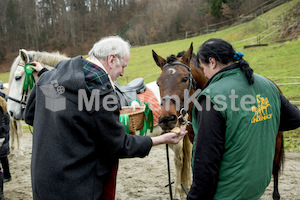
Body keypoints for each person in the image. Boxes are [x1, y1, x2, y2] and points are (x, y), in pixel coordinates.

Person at [24, 36, 186, 200]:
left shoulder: (50, 77)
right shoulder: (100, 92)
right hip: (77, 188)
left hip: (42, 183)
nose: (123, 73)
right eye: (123, 66)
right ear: (111, 59)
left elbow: (30, 115)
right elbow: (119, 145)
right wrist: (161, 139)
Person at [188, 38, 300, 199]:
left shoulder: (212, 97)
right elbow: (295, 118)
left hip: (226, 192)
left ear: (212, 62)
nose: (204, 73)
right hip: (256, 187)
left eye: (203, 67)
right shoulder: (266, 84)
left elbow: (206, 162)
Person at [0, 88, 11, 200]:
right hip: (4, 138)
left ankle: (0, 193)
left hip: (1, 139)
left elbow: (2, 125)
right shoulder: (4, 103)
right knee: (3, 158)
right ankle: (7, 175)